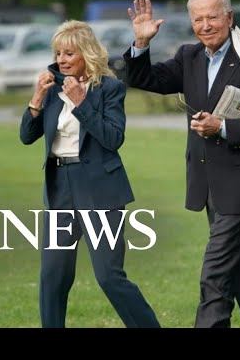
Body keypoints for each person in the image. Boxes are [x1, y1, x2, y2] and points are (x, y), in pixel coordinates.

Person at [124, 0, 240, 328]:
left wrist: (222, 127)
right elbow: (143, 78)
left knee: (215, 275)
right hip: (210, 188)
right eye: (198, 19)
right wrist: (141, 42)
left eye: (212, 17)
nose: (205, 25)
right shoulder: (190, 57)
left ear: (229, 17)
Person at [19, 20, 160, 328]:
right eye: (58, 53)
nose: (62, 59)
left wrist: (81, 103)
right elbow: (26, 136)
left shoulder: (109, 89)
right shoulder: (52, 89)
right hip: (60, 188)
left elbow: (113, 138)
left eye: (69, 53)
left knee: (109, 276)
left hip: (100, 189)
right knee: (52, 276)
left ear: (87, 53)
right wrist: (37, 100)